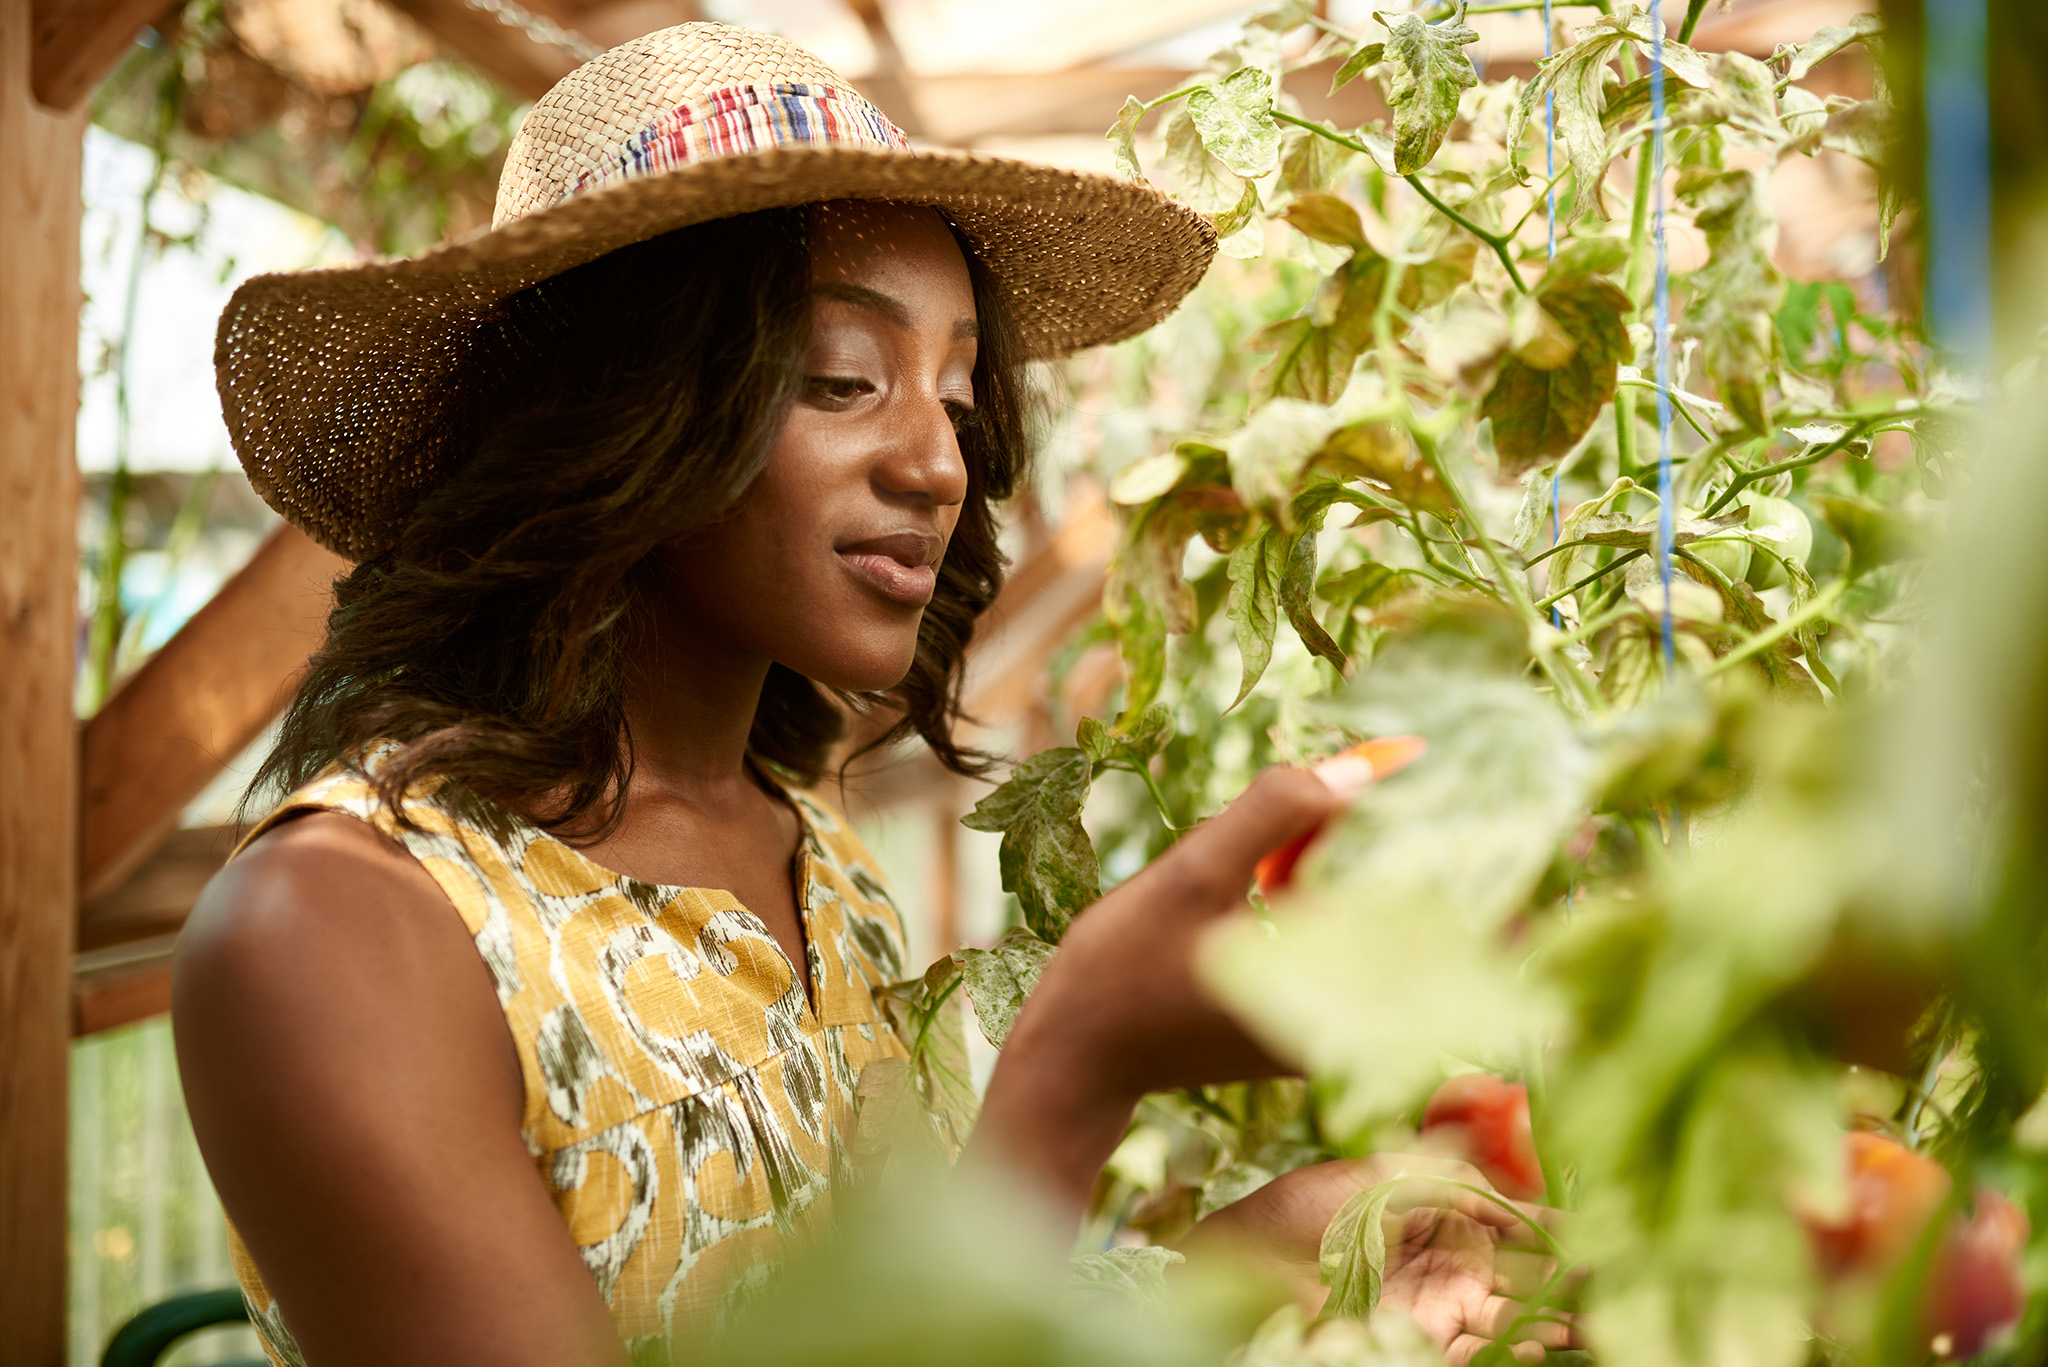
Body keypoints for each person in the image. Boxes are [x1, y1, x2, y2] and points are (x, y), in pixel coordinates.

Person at [174, 23, 1570, 1367]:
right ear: (619, 410)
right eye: (844, 379)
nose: (939, 463)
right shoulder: (339, 931)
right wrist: (1077, 1064)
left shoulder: (815, 863)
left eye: (959, 393)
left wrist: (1273, 1254)